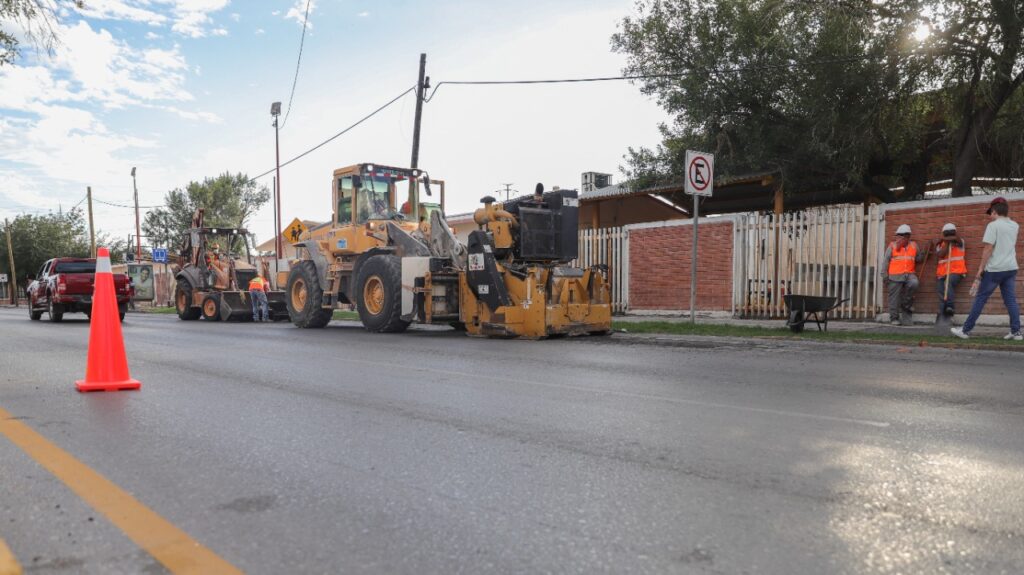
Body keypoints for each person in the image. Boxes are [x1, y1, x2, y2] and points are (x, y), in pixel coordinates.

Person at [952, 197, 1021, 340]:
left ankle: (965, 330)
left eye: (991, 212)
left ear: (995, 211)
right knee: (1010, 300)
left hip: (995, 269)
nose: (990, 216)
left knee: (981, 299)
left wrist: (980, 268)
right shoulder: (1015, 225)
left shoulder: (993, 226)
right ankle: (1016, 332)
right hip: (1011, 267)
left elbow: (988, 248)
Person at [882, 224, 929, 325]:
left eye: (901, 236)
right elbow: (885, 261)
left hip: (909, 274)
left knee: (914, 283)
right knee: (894, 298)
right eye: (898, 235)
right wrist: (885, 276)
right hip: (894, 275)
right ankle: (894, 318)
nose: (898, 238)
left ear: (908, 237)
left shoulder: (914, 245)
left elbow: (918, 259)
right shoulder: (892, 246)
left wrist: (925, 252)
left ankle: (906, 305)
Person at [934, 223, 967, 317]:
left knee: (948, 283)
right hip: (942, 273)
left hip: (956, 272)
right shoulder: (940, 245)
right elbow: (941, 254)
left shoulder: (960, 242)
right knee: (940, 289)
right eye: (947, 233)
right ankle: (943, 310)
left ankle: (950, 306)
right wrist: (946, 242)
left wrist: (943, 238)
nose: (949, 235)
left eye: (951, 233)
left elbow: (957, 239)